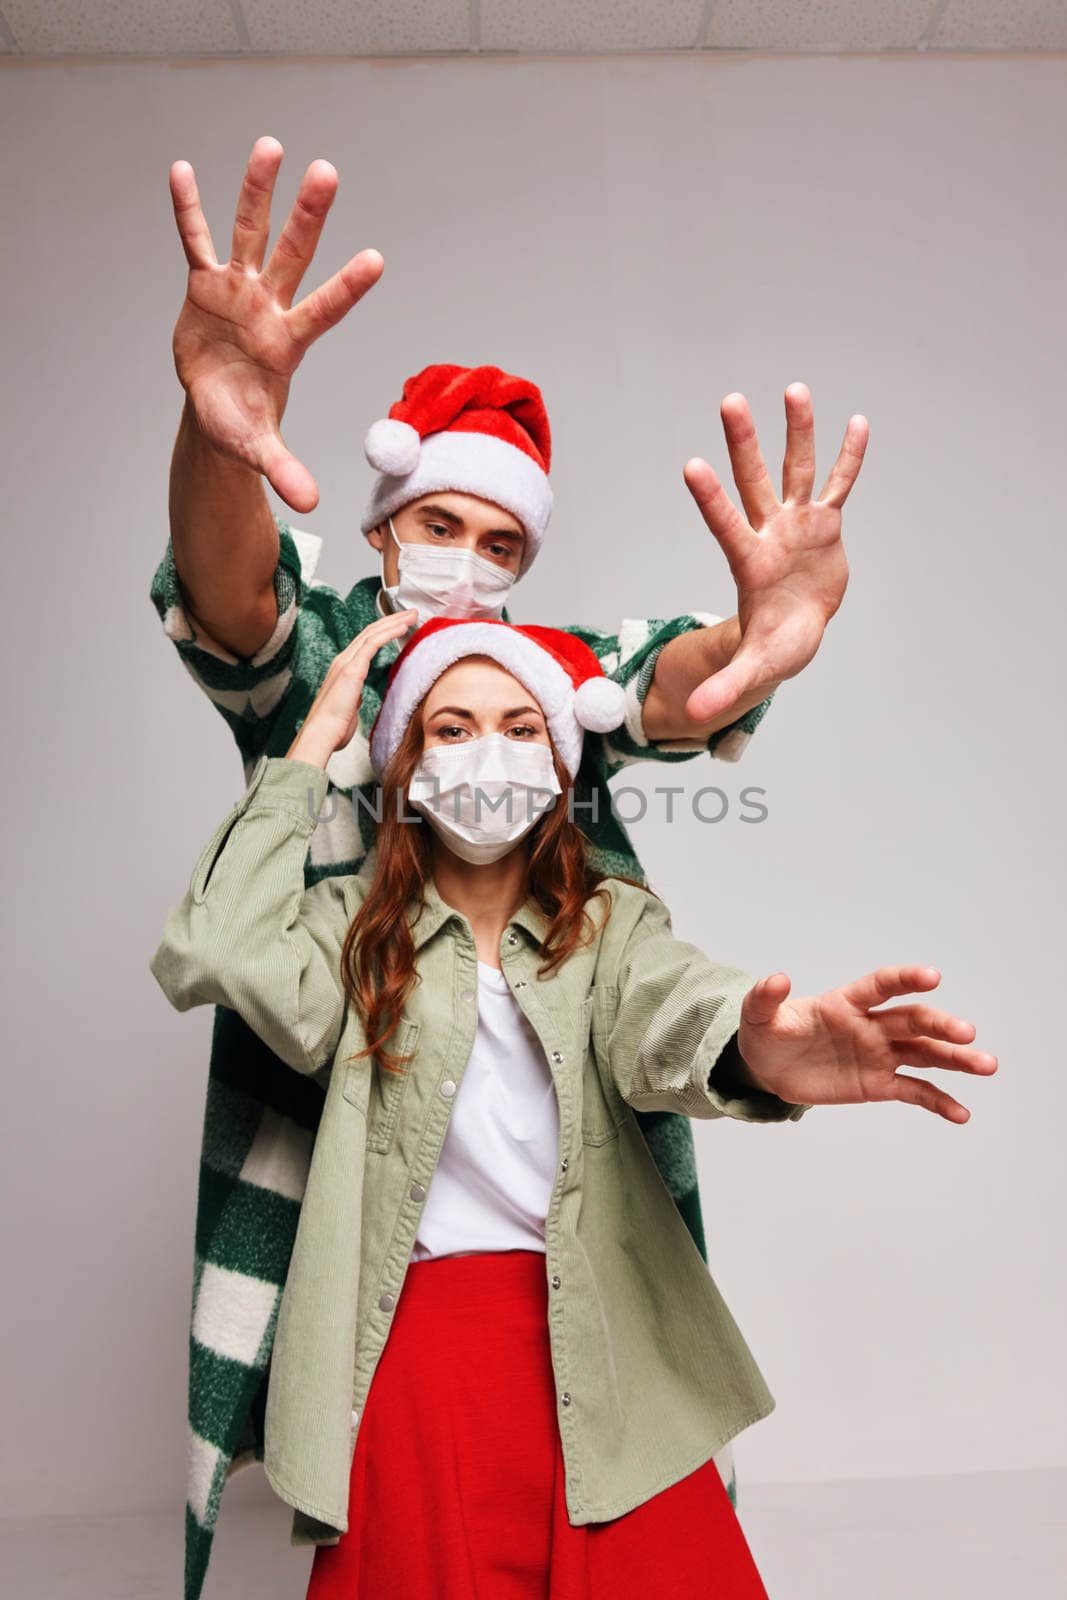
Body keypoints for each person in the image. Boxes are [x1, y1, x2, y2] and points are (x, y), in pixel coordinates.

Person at [156, 136, 868, 1599]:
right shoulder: (329, 676)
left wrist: (747, 647)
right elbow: (232, 597)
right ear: (377, 523)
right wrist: (223, 438)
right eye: (438, 526)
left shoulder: (558, 729)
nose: (467, 567)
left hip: (587, 1248)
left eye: (499, 542)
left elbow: (659, 687)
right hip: (369, 1235)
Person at [150, 616, 996, 1599]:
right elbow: (209, 950)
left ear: (558, 763)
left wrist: (754, 1046)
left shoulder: (607, 923)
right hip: (414, 1361)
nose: (487, 756)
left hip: (596, 1330)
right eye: (451, 729)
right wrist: (313, 741)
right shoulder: (348, 935)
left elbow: (669, 1009)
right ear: (405, 764)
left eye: (519, 728)